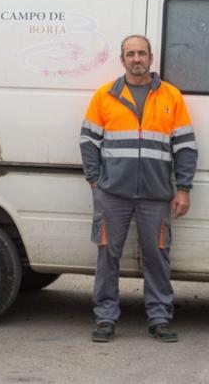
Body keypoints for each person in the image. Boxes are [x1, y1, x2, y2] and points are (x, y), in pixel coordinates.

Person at [80, 34, 197, 343]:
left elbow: (185, 147)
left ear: (150, 58)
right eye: (130, 54)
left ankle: (159, 318)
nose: (136, 59)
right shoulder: (105, 96)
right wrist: (96, 181)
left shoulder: (171, 96)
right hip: (112, 194)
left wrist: (183, 188)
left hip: (156, 195)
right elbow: (87, 142)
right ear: (123, 60)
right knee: (108, 257)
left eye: (141, 53)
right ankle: (105, 318)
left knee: (157, 257)